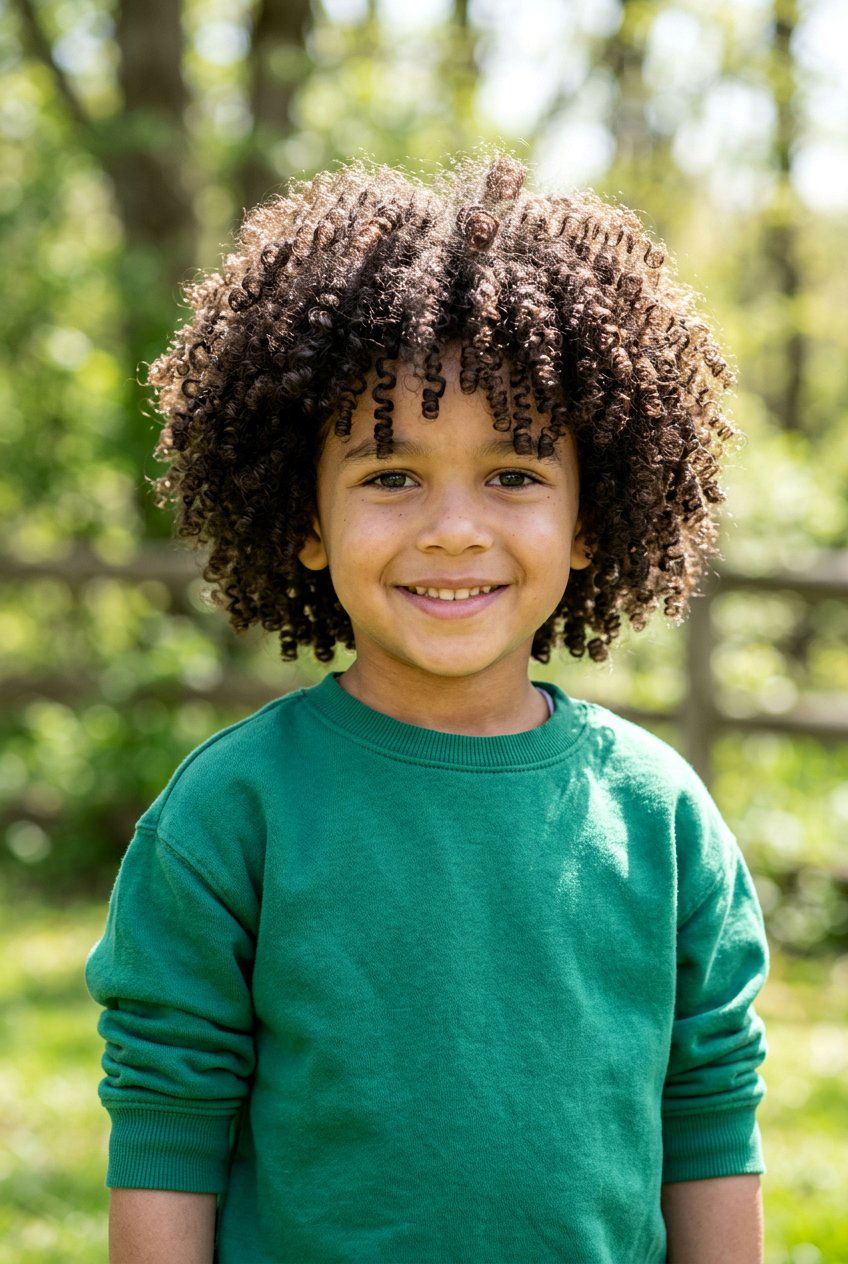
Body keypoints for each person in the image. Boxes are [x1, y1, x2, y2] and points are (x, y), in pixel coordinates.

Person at [85, 151, 769, 1264]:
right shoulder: (231, 813)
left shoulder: (661, 819)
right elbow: (168, 1122)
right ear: (301, 516)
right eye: (389, 475)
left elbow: (706, 1112)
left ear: (589, 517)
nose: (453, 527)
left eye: (512, 474)